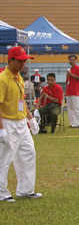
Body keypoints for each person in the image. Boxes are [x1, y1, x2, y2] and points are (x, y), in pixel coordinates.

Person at [0, 46, 41, 202]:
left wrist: (30, 119)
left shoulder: (19, 78)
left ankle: (25, 189)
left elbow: (21, 101)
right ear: (10, 60)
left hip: (21, 122)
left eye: (25, 61)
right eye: (20, 61)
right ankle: (2, 192)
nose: (23, 64)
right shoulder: (2, 79)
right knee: (4, 158)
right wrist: (1, 128)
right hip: (7, 122)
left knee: (28, 154)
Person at [66, 54, 79, 128]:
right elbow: (67, 81)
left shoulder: (78, 68)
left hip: (76, 91)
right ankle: (72, 123)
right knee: (70, 108)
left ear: (76, 60)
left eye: (73, 60)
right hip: (69, 91)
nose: (71, 61)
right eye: (70, 60)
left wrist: (71, 74)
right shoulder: (69, 70)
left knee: (77, 107)